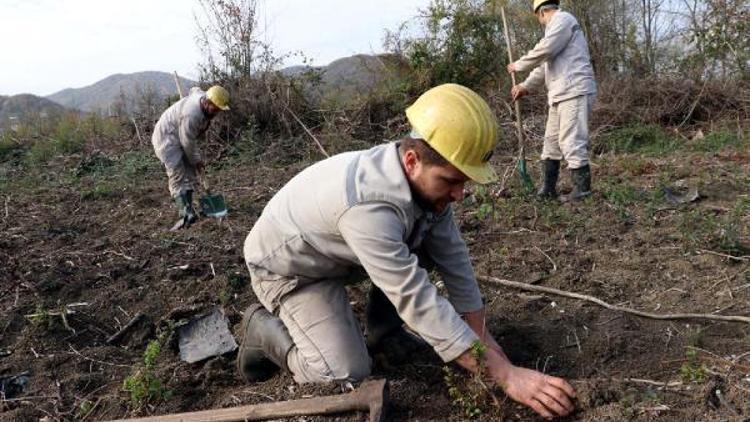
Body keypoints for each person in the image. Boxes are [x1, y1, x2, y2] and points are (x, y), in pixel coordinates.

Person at [238, 83, 576, 419]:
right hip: (291, 270)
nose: (459, 195)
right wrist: (505, 375)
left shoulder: (420, 182)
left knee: (425, 245)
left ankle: (384, 334)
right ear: (412, 160)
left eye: (464, 182)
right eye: (450, 181)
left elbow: (452, 256)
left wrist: (480, 333)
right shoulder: (369, 207)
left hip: (333, 252)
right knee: (343, 373)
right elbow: (415, 298)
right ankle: (263, 331)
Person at [507, 0, 597, 201]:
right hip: (560, 94)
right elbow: (544, 66)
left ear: (541, 13)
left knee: (571, 141)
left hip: (574, 90)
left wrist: (518, 65)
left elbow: (544, 50)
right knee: (551, 143)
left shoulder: (563, 20)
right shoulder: (555, 32)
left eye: (539, 19)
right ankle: (548, 189)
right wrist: (525, 86)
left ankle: (582, 190)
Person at [151, 85, 230, 230]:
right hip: (166, 139)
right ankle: (185, 213)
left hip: (180, 134)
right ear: (207, 102)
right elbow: (188, 143)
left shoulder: (202, 97)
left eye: (220, 109)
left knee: (190, 173)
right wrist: (197, 160)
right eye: (215, 108)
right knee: (177, 175)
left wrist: (193, 162)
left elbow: (195, 89)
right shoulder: (191, 115)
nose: (217, 112)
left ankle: (190, 207)